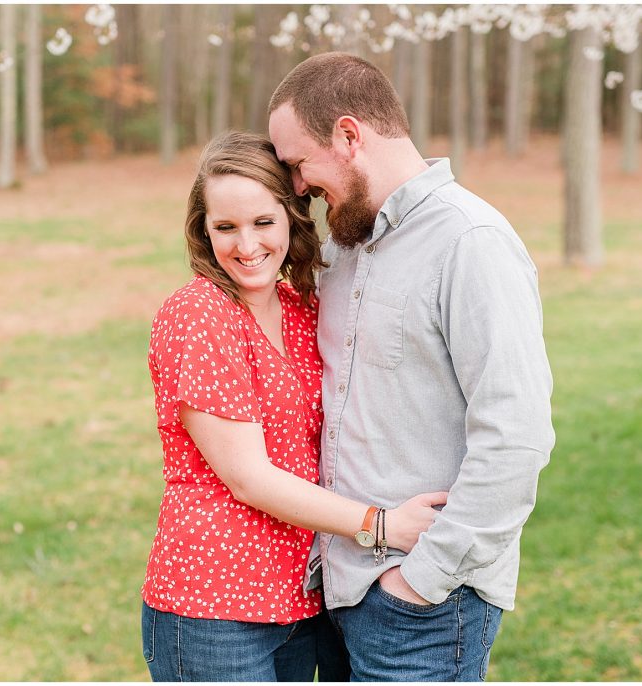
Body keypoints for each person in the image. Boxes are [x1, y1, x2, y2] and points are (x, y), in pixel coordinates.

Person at [267, 52, 556, 682]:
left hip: (424, 605)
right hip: (338, 592)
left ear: (349, 136)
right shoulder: (346, 246)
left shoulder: (470, 241)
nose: (295, 187)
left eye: (297, 164)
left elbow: (517, 435)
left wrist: (422, 581)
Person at [140, 130, 448, 682]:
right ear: (203, 231)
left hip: (303, 598)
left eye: (263, 222)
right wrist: (381, 526)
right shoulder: (199, 315)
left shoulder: (302, 307)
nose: (246, 244)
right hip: (215, 603)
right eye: (225, 227)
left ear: (291, 219)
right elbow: (249, 478)